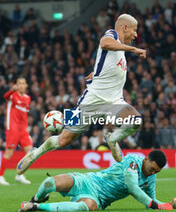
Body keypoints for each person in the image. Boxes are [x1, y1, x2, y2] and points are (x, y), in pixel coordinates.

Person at [17, 13, 146, 174]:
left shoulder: (120, 51)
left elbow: (105, 63)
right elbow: (105, 43)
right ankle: (35, 153)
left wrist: (96, 72)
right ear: (124, 27)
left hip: (114, 102)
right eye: (134, 30)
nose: (136, 35)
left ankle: (112, 140)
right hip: (90, 101)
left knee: (135, 121)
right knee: (64, 140)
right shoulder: (112, 35)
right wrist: (133, 49)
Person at [18, 150, 176, 212]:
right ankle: (37, 198)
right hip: (89, 181)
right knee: (49, 183)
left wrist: (170, 204)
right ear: (146, 159)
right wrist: (155, 205)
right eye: (152, 169)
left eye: (157, 172)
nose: (153, 174)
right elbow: (134, 189)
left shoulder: (151, 177)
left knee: (87, 207)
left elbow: (151, 200)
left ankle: (36, 207)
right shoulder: (132, 162)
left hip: (100, 199)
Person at [0, 77, 33, 185]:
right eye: (19, 83)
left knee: (30, 152)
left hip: (23, 129)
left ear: (26, 86)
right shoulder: (12, 95)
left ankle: (20, 175)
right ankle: (0, 176)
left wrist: (26, 127)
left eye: (23, 83)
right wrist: (12, 90)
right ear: (16, 85)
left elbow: (25, 114)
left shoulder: (27, 98)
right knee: (9, 152)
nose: (21, 85)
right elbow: (5, 96)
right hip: (13, 128)